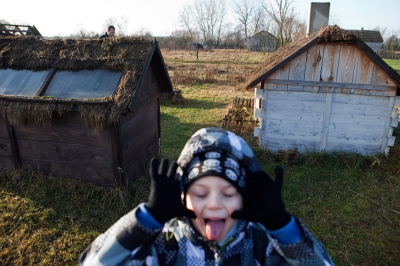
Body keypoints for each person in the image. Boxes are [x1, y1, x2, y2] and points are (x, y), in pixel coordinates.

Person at [79, 127, 334, 265]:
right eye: (200, 193)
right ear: (182, 196)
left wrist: (282, 227)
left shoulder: (262, 245)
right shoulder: (163, 246)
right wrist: (148, 220)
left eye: (228, 193)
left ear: (245, 197)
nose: (214, 204)